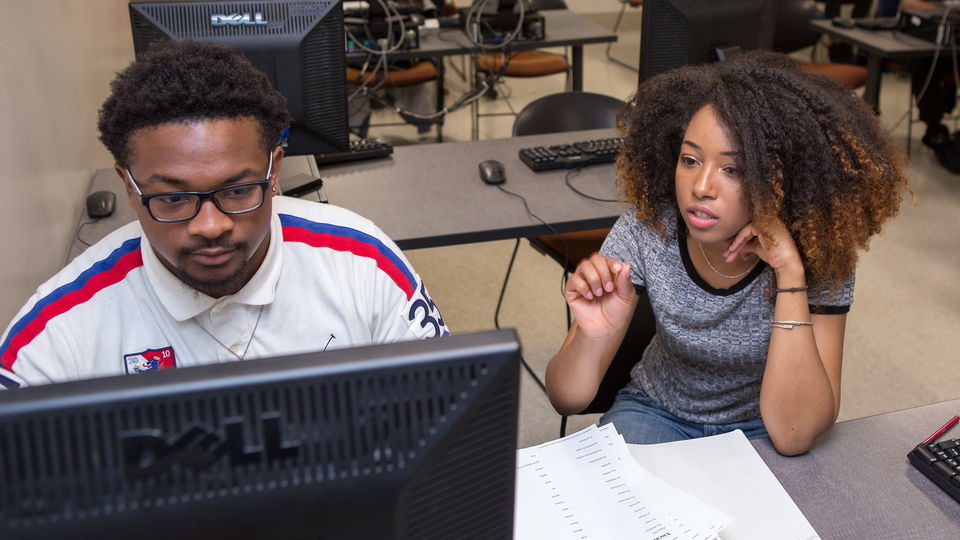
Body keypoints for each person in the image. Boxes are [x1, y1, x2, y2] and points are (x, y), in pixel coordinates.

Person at [0, 40, 447, 390]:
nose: (211, 226)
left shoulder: (363, 262)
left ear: (275, 172)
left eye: (237, 190)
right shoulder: (53, 334)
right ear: (128, 187)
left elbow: (445, 410)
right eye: (172, 199)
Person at [545, 51, 908, 456]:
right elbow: (567, 399)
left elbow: (794, 434)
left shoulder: (822, 252)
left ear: (781, 180)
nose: (701, 186)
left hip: (761, 427)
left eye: (733, 169)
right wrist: (591, 337)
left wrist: (790, 274)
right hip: (655, 411)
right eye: (690, 160)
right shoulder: (647, 228)